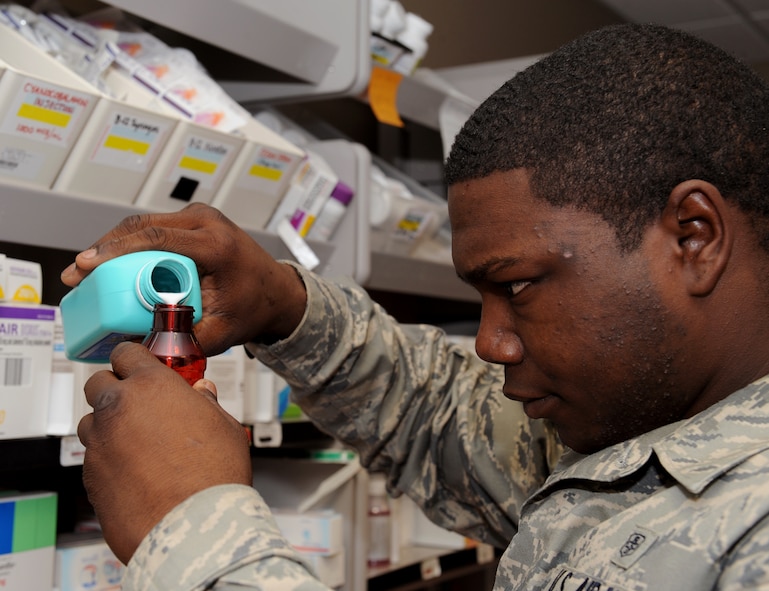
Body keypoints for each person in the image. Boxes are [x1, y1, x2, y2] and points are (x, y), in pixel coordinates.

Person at [61, 22, 769, 590]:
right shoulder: (637, 414)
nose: (491, 343)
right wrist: (285, 305)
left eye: (517, 286)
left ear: (692, 235)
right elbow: (438, 415)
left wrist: (198, 534)